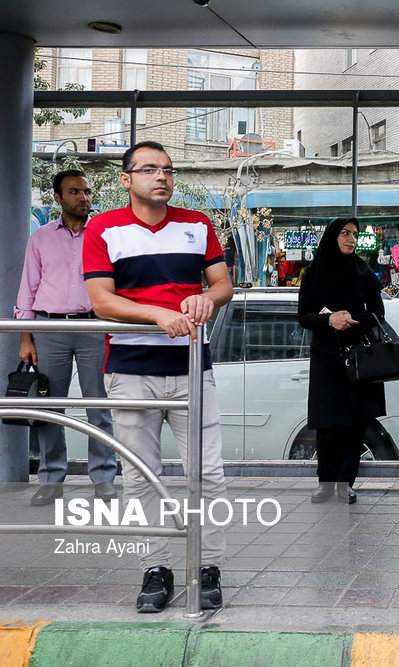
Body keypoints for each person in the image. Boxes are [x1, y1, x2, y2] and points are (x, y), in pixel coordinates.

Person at [83, 141, 233, 614]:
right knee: (140, 477)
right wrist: (156, 314)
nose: (161, 177)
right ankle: (157, 569)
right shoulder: (103, 228)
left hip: (191, 367)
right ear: (126, 180)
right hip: (131, 372)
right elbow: (102, 301)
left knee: (206, 474)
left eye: (167, 169)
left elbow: (222, 283)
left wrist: (208, 299)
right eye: (149, 169)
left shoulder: (197, 224)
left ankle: (207, 568)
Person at [15, 170, 116, 506]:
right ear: (57, 198)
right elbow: (27, 289)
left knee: (98, 407)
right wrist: (25, 337)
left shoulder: (103, 236)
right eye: (75, 192)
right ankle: (51, 480)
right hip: (50, 329)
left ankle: (103, 477)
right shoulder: (41, 238)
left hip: (93, 327)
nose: (84, 198)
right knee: (50, 408)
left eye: (87, 192)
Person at [297, 217, 386, 505]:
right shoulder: (313, 274)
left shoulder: (363, 272)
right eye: (345, 233)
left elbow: (377, 314)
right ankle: (326, 482)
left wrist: (350, 318)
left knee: (354, 421)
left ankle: (346, 482)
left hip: (359, 357)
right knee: (327, 422)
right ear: (333, 236)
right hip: (326, 358)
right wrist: (328, 320)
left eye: (355, 234)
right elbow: (304, 316)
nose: (351, 239)